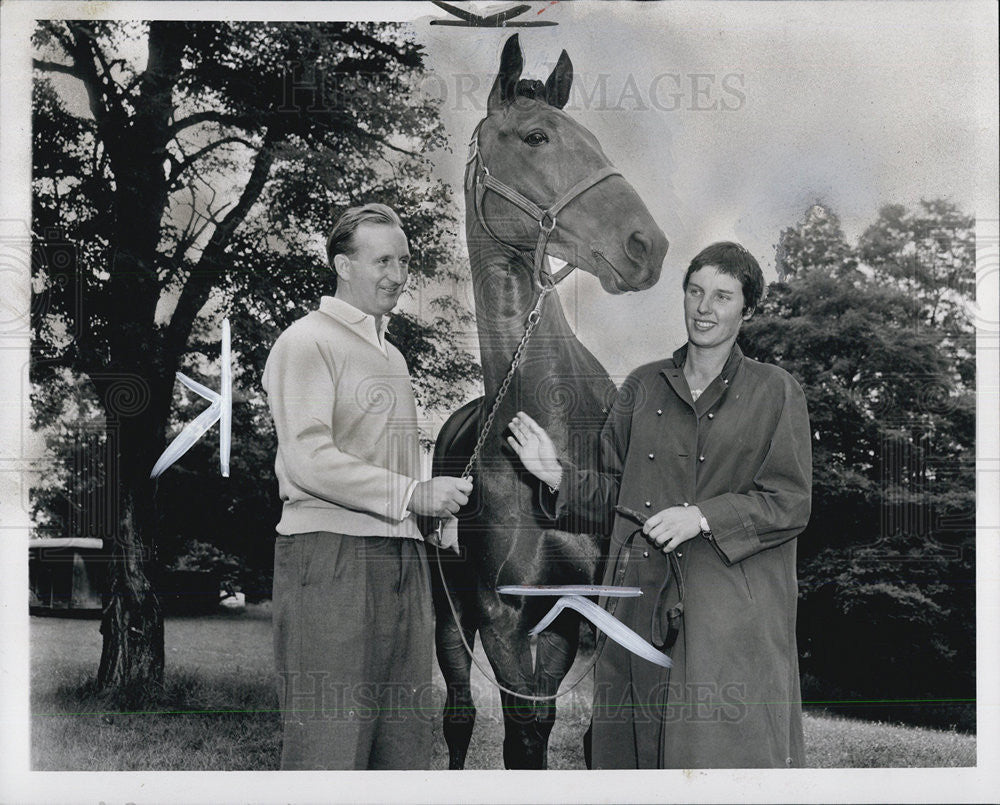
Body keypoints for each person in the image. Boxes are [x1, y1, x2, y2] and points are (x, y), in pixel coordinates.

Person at [507, 242, 812, 769]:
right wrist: (555, 474)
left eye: (722, 295)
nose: (704, 307)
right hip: (637, 603)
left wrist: (703, 516)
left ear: (747, 308)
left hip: (728, 609)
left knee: (719, 754)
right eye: (695, 291)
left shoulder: (776, 391)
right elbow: (612, 499)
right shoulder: (643, 385)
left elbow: (790, 501)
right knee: (631, 753)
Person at [262, 203, 472, 770]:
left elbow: (394, 465)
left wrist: (430, 511)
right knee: (329, 747)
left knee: (402, 748)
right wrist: (411, 495)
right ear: (342, 265)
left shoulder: (394, 356)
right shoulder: (306, 341)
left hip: (405, 559)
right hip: (331, 557)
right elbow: (307, 460)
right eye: (383, 261)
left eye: (404, 262)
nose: (398, 276)